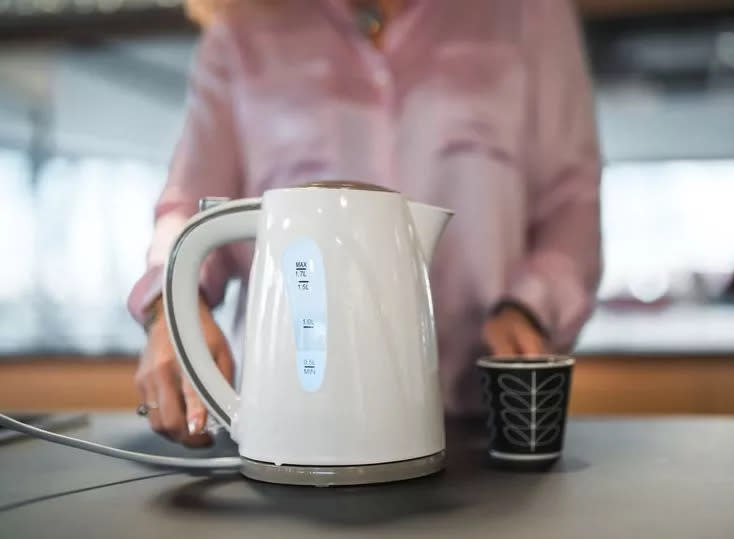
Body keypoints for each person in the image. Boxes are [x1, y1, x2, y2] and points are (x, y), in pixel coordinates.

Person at [129, 0, 602, 446]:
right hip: (292, 429)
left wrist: (529, 305)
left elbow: (571, 200)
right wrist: (171, 312)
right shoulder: (240, 30)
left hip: (477, 424)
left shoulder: (527, 14)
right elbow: (188, 212)